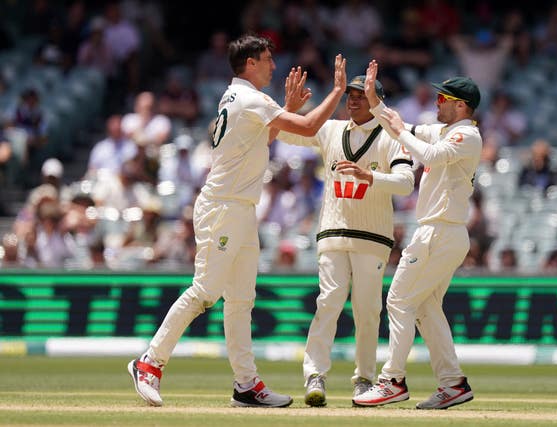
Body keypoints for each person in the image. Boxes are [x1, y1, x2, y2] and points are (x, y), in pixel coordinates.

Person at [127, 34, 347, 408]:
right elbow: (309, 127)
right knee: (205, 291)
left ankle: (246, 385)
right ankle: (149, 362)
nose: (273, 66)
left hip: (241, 208)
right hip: (224, 207)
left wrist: (287, 107)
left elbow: (264, 140)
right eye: (267, 59)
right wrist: (338, 89)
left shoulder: (237, 98)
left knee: (241, 300)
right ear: (250, 63)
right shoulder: (249, 99)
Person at [273, 74, 414, 406]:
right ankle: (315, 374)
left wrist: (372, 176)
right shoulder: (332, 130)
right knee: (329, 303)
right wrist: (287, 110)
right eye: (349, 94)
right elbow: (282, 134)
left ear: (377, 101)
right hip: (333, 233)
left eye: (360, 95)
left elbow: (406, 183)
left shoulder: (393, 135)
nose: (352, 100)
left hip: (373, 236)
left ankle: (364, 379)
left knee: (367, 311)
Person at [353, 61, 480, 410]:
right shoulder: (445, 130)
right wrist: (374, 102)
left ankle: (392, 380)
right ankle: (453, 383)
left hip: (439, 231)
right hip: (441, 232)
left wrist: (406, 135)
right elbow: (400, 127)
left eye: (444, 98)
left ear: (461, 106)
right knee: (424, 307)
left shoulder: (465, 135)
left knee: (398, 301)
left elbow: (430, 156)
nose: (437, 102)